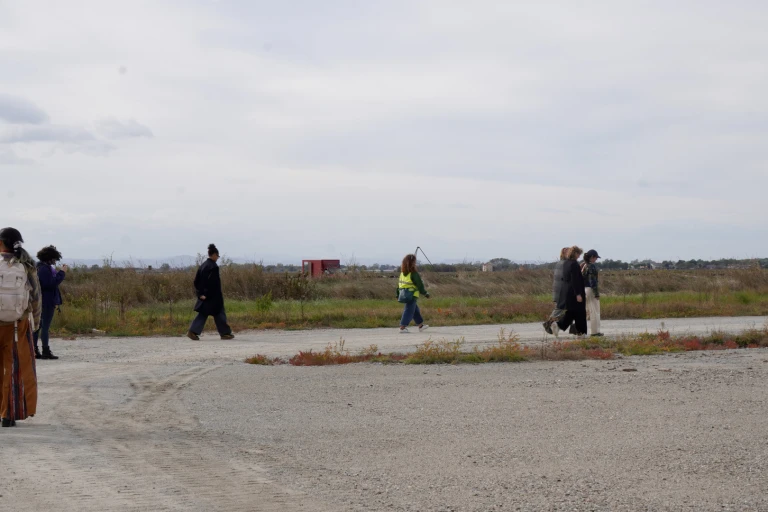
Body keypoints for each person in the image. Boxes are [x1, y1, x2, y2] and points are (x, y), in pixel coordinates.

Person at [0, 227, 41, 428]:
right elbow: (36, 297)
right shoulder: (27, 265)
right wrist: (36, 322)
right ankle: (8, 414)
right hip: (18, 325)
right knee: (16, 369)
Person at [186, 244, 234, 340]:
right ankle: (225, 333)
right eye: (217, 256)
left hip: (205, 296)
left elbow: (196, 281)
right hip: (213, 297)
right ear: (214, 254)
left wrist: (200, 294)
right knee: (219, 313)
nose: (217, 258)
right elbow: (213, 284)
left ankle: (193, 331)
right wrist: (206, 295)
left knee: (204, 314)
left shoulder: (203, 265)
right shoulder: (213, 267)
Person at [34, 245, 67, 359]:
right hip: (46, 301)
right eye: (54, 258)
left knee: (37, 326)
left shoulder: (38, 267)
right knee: (44, 327)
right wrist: (62, 273)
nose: (55, 261)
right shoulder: (44, 268)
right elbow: (50, 284)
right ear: (50, 257)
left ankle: (35, 350)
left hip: (40, 300)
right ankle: (45, 351)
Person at [554, 246, 587, 337]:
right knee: (580, 312)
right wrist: (578, 294)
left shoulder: (566, 263)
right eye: (578, 254)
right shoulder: (574, 264)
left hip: (567, 292)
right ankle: (581, 332)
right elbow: (575, 280)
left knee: (572, 312)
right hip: (575, 292)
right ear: (575, 253)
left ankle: (559, 325)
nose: (579, 256)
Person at [396, 254, 430, 333]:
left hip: (403, 294)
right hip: (412, 295)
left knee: (415, 310)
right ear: (412, 263)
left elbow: (399, 285)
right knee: (409, 310)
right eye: (415, 262)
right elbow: (420, 285)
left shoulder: (402, 274)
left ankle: (420, 325)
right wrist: (425, 293)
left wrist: (397, 294)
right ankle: (402, 327)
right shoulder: (414, 274)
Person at [543, 247, 569, 335]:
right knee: (560, 309)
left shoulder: (559, 263)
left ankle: (555, 324)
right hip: (563, 290)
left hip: (557, 289)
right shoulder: (566, 264)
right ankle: (549, 323)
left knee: (563, 309)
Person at [581, 249, 602, 336]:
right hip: (590, 290)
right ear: (592, 257)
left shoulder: (584, 265)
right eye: (595, 258)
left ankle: (578, 329)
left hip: (585, 289)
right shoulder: (592, 266)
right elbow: (593, 281)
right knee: (595, 311)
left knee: (586, 311)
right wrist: (596, 293)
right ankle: (595, 331)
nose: (596, 259)